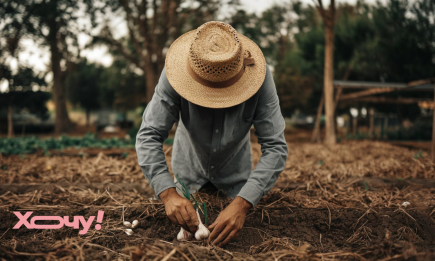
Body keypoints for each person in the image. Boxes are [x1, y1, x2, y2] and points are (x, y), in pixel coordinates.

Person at [136, 21, 288, 247]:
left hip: (236, 181)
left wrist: (243, 203)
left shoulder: (261, 78)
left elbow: (276, 147)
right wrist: (168, 194)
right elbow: (148, 135)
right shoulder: (172, 75)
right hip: (187, 176)